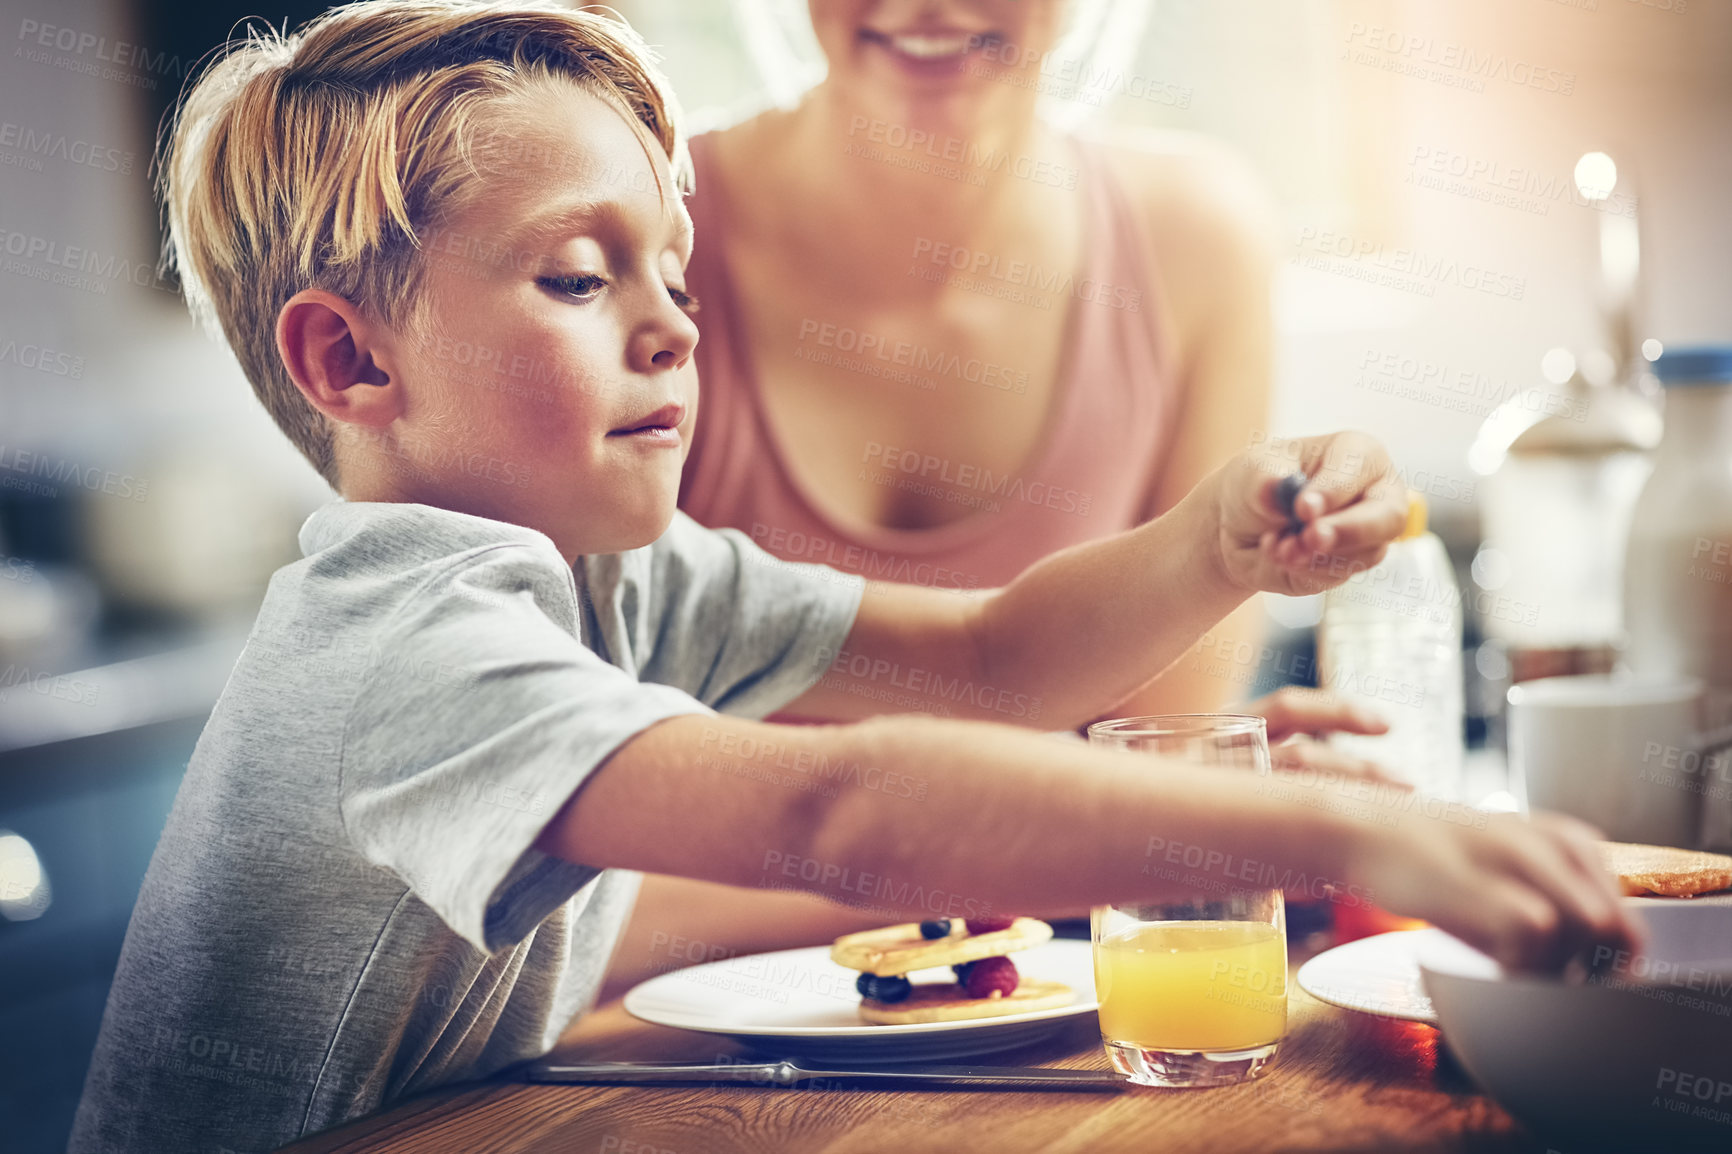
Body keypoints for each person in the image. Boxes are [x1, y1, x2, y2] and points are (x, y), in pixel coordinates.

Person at [70, 4, 1637, 1151]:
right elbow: (839, 808)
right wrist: (1349, 825)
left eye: (670, 273)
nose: (677, 325)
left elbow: (997, 661)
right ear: (351, 356)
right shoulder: (408, 637)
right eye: (577, 274)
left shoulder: (617, 576)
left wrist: (1217, 539)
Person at [636, 0, 1390, 979]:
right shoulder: (630, 243)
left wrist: (1205, 804)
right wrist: (1160, 827)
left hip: (1052, 1006)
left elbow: (1140, 758)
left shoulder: (1196, 236)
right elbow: (593, 894)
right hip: (681, 1043)